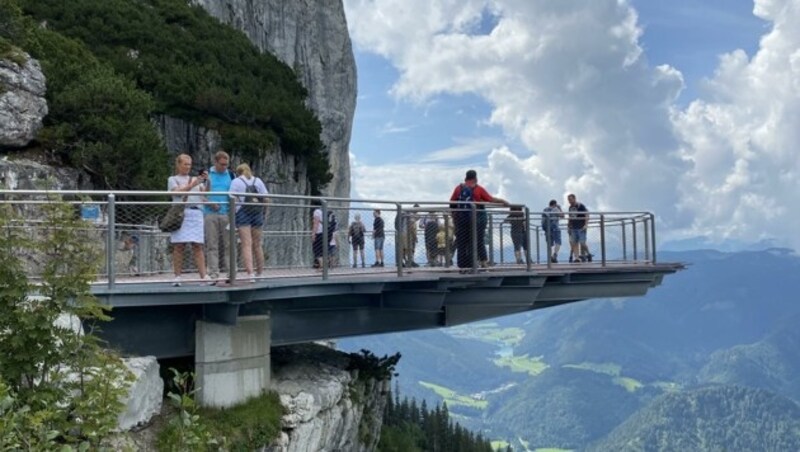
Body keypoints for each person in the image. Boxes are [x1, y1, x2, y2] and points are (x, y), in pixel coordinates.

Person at [449, 169, 509, 270]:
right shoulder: (478, 189)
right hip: (476, 219)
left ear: (466, 178)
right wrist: (503, 201)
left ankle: (462, 266)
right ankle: (477, 263)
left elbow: (451, 203)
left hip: (461, 220)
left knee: (462, 242)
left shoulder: (458, 188)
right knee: (477, 240)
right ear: (475, 178)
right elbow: (490, 199)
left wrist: (455, 217)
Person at [167, 153, 209, 286]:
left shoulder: (195, 179)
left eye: (189, 164)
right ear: (178, 165)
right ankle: (177, 276)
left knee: (198, 246)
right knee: (179, 246)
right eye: (185, 164)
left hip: (196, 213)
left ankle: (203, 276)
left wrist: (208, 181)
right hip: (181, 213)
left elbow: (205, 194)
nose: (187, 167)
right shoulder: (173, 179)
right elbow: (177, 192)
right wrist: (193, 184)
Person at [230, 163, 268, 282]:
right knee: (257, 244)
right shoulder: (258, 181)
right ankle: (260, 272)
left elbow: (232, 198)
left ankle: (250, 274)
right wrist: (264, 214)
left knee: (246, 244)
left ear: (238, 172)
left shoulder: (236, 181)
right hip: (257, 212)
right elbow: (266, 198)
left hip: (243, 212)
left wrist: (234, 213)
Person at [203, 150, 232, 283]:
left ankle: (231, 273)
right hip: (210, 213)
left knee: (229, 244)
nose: (224, 167)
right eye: (222, 164)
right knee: (212, 244)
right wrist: (210, 202)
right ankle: (213, 274)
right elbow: (202, 195)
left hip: (226, 213)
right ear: (216, 162)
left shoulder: (230, 175)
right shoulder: (208, 175)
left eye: (226, 164)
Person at [567, 193, 592, 263]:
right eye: (568, 200)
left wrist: (586, 224)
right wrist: (568, 226)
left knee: (582, 242)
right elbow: (570, 217)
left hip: (581, 227)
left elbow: (587, 214)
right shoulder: (570, 207)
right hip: (574, 228)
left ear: (574, 199)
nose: (569, 201)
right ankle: (577, 258)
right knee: (574, 243)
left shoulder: (580, 206)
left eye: (570, 200)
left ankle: (588, 254)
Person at [311, 202, 324, 269]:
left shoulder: (316, 212)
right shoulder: (322, 211)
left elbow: (316, 223)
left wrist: (313, 233)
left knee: (316, 250)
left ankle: (321, 266)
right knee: (321, 250)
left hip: (318, 232)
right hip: (323, 232)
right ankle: (321, 266)